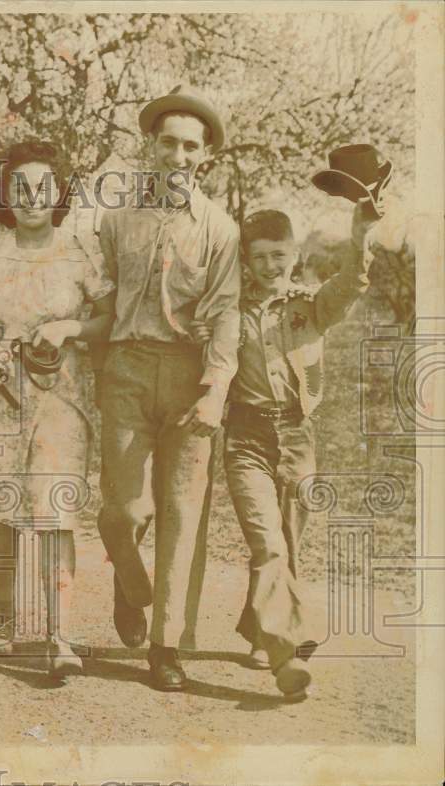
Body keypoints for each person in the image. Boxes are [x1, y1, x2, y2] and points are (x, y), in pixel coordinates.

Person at [0, 140, 115, 679]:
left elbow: (108, 320)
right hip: (3, 390)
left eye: (43, 186)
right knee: (4, 504)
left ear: (60, 192)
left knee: (55, 507)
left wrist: (69, 328)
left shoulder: (82, 251)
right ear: (5, 192)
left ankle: (60, 632)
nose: (31, 196)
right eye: (19, 186)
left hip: (62, 390)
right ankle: (6, 618)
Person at [92, 85, 241, 692]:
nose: (178, 155)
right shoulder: (116, 219)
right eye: (168, 143)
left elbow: (227, 311)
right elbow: (101, 299)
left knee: (181, 516)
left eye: (190, 147)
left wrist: (214, 389)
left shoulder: (220, 230)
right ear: (149, 146)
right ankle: (132, 585)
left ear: (203, 156)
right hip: (126, 369)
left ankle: (166, 645)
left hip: (189, 376)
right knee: (122, 511)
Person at [224, 202, 380, 698]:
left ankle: (259, 630)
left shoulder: (310, 306)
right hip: (245, 439)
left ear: (294, 254)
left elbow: (351, 284)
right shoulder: (230, 311)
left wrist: (360, 238)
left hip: (296, 437)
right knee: (267, 541)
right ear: (247, 262)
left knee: (288, 541)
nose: (271, 266)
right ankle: (285, 653)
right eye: (260, 258)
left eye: (279, 255)